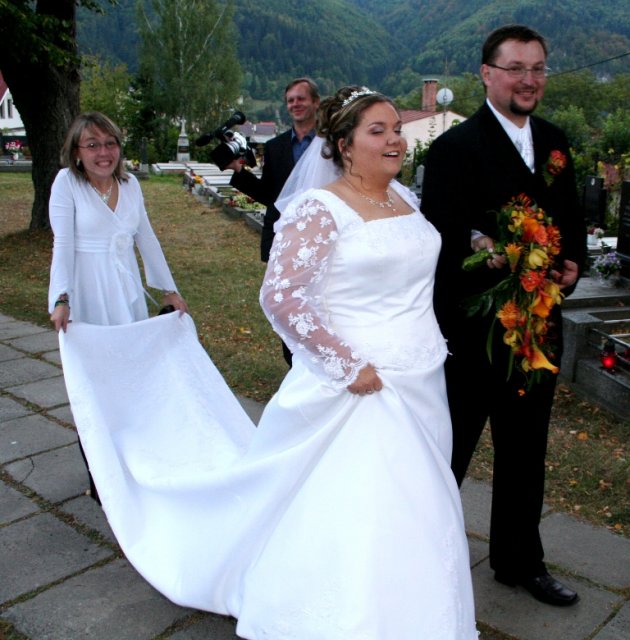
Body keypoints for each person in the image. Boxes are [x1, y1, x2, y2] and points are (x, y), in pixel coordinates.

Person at [58, 86, 478, 638]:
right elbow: (282, 297)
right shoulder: (320, 208)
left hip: (423, 374)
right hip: (364, 382)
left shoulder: (406, 200)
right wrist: (346, 365)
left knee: (421, 501)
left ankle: (420, 606)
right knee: (370, 499)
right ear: (345, 145)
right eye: (377, 130)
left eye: (397, 128)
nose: (395, 139)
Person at [421, 24, 586, 607]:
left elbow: (570, 219)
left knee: (525, 452)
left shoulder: (556, 141)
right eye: (516, 68)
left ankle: (520, 562)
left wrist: (572, 264)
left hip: (537, 332)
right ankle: (420, 563)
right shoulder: (454, 148)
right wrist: (488, 253)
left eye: (537, 68)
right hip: (471, 337)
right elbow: (439, 237)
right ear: (487, 74)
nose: (528, 80)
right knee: (449, 453)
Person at [48, 111, 189, 500]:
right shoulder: (67, 184)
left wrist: (168, 290)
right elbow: (62, 243)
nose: (103, 152)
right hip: (88, 292)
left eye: (109, 143)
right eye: (92, 145)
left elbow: (147, 238)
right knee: (94, 386)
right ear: (77, 152)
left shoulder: (130, 185)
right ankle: (100, 475)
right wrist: (61, 297)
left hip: (125, 293)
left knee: (131, 379)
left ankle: (132, 461)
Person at [227, 77, 320, 365]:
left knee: (318, 302)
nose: (295, 104)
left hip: (319, 236)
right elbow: (270, 195)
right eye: (290, 100)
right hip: (284, 238)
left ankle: (318, 359)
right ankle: (293, 365)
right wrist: (238, 173)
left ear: (315, 102)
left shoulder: (331, 144)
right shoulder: (276, 147)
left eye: (301, 98)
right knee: (287, 303)